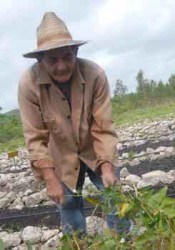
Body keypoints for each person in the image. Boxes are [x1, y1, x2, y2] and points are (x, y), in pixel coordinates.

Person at [18, 12, 130, 236]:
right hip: (60, 153)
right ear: (40, 60)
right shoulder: (29, 84)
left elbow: (103, 126)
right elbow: (35, 137)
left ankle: (123, 241)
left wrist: (107, 168)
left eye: (67, 56)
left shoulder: (94, 75)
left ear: (76, 52)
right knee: (68, 204)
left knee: (114, 197)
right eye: (52, 60)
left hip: (95, 148)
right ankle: (77, 243)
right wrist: (50, 179)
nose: (61, 66)